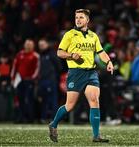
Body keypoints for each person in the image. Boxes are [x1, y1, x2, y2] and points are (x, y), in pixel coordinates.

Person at [49, 9, 114, 143]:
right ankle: (53, 124)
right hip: (75, 73)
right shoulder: (69, 35)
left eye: (81, 17)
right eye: (76, 17)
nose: (78, 20)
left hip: (91, 73)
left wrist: (108, 61)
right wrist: (71, 55)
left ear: (87, 20)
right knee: (70, 105)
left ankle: (96, 136)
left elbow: (100, 52)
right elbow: (59, 52)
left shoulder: (93, 36)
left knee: (94, 100)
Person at [11, 39, 40, 123]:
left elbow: (37, 69)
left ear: (33, 46)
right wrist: (13, 78)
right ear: (24, 45)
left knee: (29, 99)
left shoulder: (35, 56)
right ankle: (20, 117)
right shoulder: (19, 54)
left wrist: (32, 78)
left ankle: (30, 118)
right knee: (20, 99)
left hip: (29, 81)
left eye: (30, 44)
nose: (28, 46)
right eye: (27, 44)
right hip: (19, 80)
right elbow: (14, 67)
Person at [38, 38, 61, 123]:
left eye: (43, 45)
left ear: (47, 44)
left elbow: (59, 66)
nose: (41, 47)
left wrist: (54, 76)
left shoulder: (51, 54)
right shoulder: (40, 55)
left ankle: (54, 118)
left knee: (53, 100)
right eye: (40, 45)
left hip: (51, 80)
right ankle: (43, 118)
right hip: (42, 80)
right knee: (44, 100)